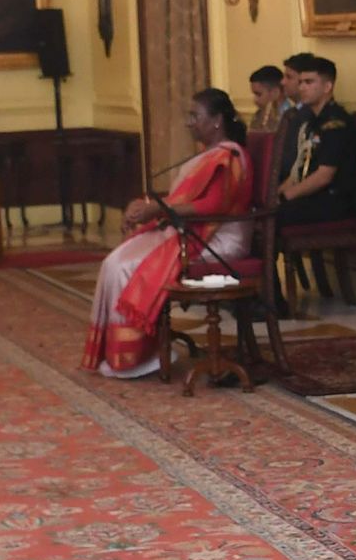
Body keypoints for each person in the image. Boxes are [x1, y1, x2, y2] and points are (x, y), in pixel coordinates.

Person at [84, 87, 260, 379]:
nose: (189, 123)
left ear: (217, 120)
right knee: (115, 261)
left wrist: (157, 210)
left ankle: (138, 357)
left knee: (128, 266)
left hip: (217, 239)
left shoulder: (228, 156)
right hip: (194, 232)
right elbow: (182, 199)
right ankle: (129, 352)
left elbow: (213, 206)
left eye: (195, 116)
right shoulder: (209, 155)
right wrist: (145, 207)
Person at [274, 54, 356, 226]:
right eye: (300, 82)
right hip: (311, 196)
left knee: (274, 216)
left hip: (332, 199)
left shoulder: (335, 123)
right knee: (264, 210)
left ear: (327, 86)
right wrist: (276, 194)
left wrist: (286, 196)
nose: (302, 88)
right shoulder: (311, 122)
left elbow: (323, 176)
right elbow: (299, 170)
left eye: (309, 82)